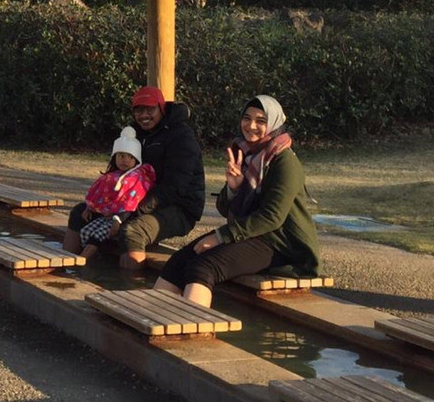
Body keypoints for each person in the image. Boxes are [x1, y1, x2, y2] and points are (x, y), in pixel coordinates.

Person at [155, 95, 319, 307]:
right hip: (253, 236)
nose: (251, 126)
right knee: (179, 261)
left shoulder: (284, 161)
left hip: (282, 246)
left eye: (261, 121)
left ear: (274, 123)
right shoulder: (246, 155)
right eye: (247, 118)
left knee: (203, 266)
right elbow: (224, 208)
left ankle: (190, 329)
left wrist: (221, 236)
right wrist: (234, 188)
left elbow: (272, 217)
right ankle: (152, 321)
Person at [64, 86, 204, 268]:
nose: (144, 115)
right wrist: (96, 204)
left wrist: (128, 213)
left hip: (179, 206)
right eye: (139, 110)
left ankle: (131, 288)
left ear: (161, 107)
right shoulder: (133, 132)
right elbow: (115, 171)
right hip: (133, 200)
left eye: (150, 109)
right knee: (79, 213)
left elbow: (175, 187)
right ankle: (63, 268)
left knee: (132, 230)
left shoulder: (181, 136)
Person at [71, 126, 156, 260]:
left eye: (130, 157)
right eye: (121, 156)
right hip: (106, 216)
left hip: (122, 218)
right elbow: (98, 193)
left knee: (97, 235)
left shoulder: (136, 179)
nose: (125, 160)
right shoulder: (111, 177)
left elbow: (131, 202)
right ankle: (93, 258)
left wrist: (118, 220)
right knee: (85, 231)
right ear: (114, 157)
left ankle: (82, 260)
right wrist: (90, 207)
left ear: (136, 160)